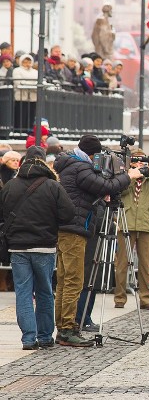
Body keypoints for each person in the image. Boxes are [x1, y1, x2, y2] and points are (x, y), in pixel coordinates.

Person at [53, 135, 141, 346]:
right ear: (93, 155)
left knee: (65, 281)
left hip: (68, 227)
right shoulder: (81, 168)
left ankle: (64, 327)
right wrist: (129, 176)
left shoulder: (71, 164)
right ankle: (67, 330)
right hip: (75, 229)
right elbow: (104, 185)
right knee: (73, 281)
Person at [0, 146, 74, 349]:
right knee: (44, 292)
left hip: (18, 248)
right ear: (43, 162)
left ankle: (28, 339)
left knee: (23, 293)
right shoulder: (52, 185)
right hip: (44, 246)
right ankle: (44, 336)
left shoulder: (10, 186)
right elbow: (68, 214)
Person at [115, 149, 149, 310]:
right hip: (127, 222)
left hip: (145, 224)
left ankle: (145, 298)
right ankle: (119, 298)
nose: (139, 164)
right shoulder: (124, 176)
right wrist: (131, 175)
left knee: (145, 264)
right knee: (122, 263)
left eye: (142, 161)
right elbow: (119, 190)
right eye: (135, 161)